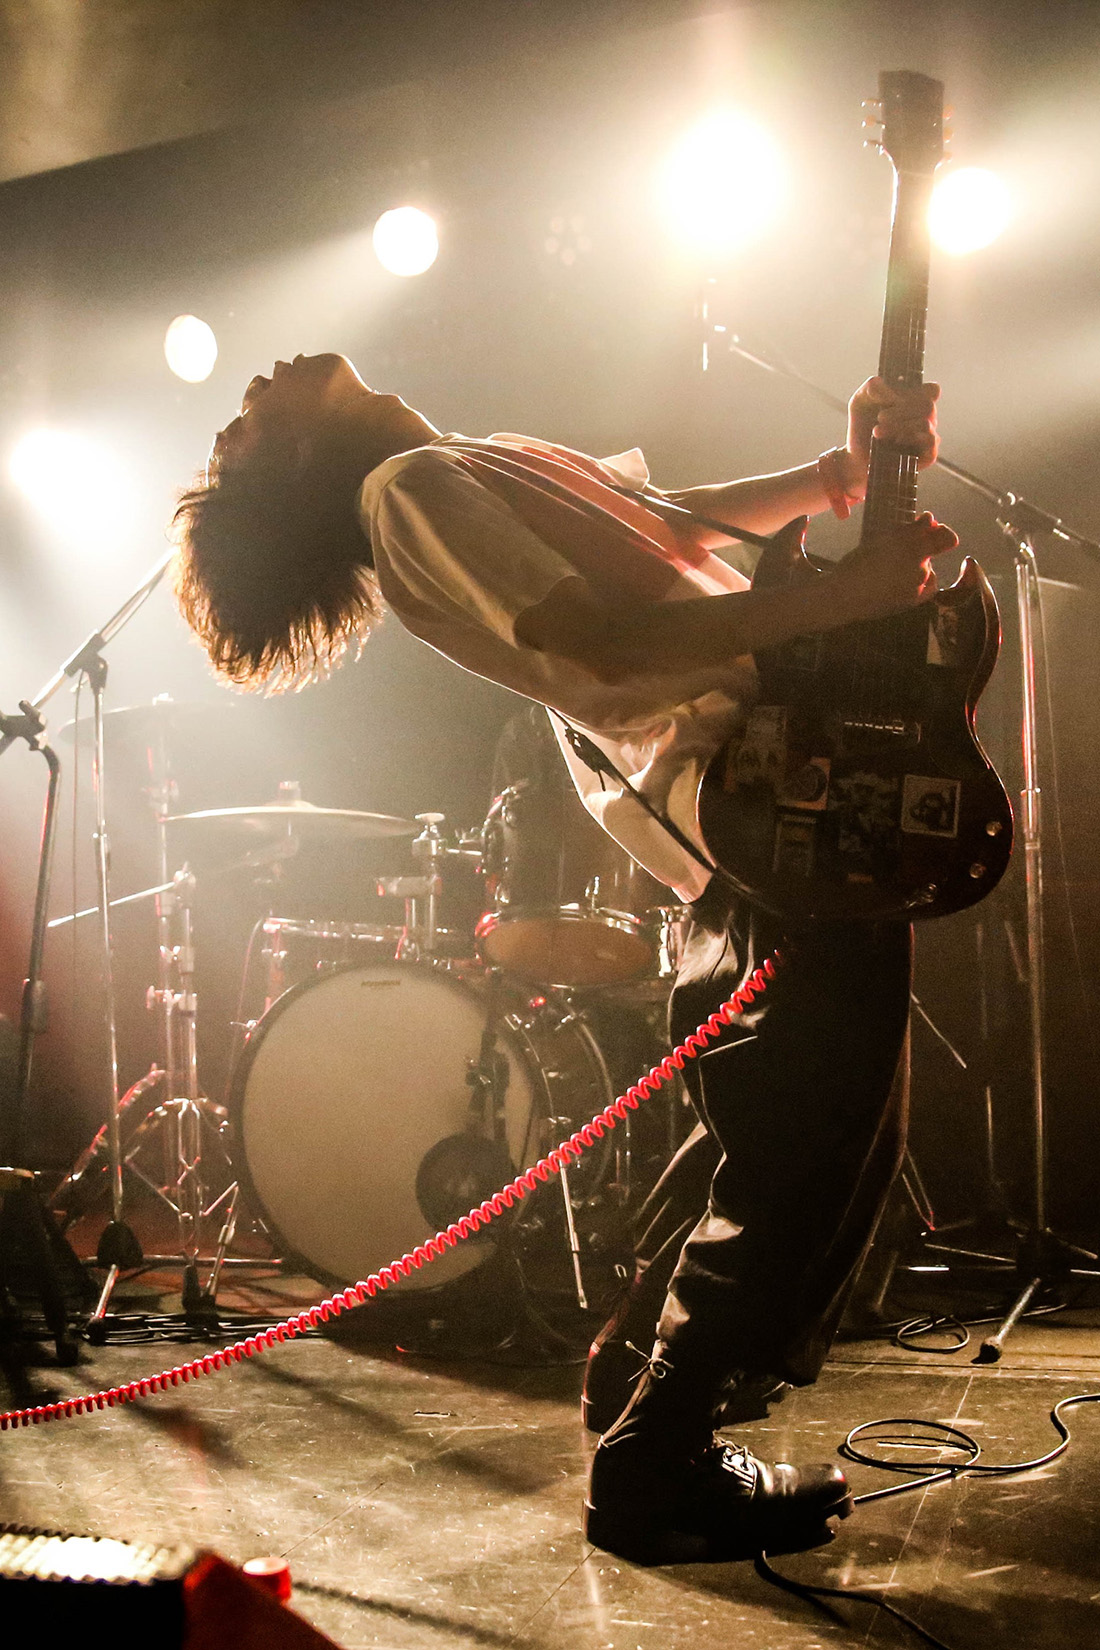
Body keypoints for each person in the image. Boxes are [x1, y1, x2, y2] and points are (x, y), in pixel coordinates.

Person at [173, 351, 951, 1565]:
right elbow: (600, 640)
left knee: (773, 1129)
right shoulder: (405, 492)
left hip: (753, 786)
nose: (263, 375)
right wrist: (837, 600)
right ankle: (653, 1467)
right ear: (299, 458)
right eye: (246, 413)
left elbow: (655, 526)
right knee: (810, 1148)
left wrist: (828, 478)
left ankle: (635, 1375)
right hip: (753, 794)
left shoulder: (458, 462)